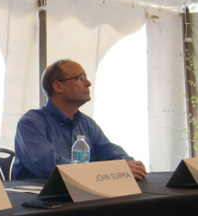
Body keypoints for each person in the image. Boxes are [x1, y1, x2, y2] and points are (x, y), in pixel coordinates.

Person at [13, 59, 147, 180]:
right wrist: (106, 170)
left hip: (79, 193)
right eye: (80, 78)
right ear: (58, 86)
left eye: (86, 78)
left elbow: (109, 151)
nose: (88, 83)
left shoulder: (86, 123)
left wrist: (127, 164)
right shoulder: (31, 123)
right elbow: (48, 166)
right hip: (38, 199)